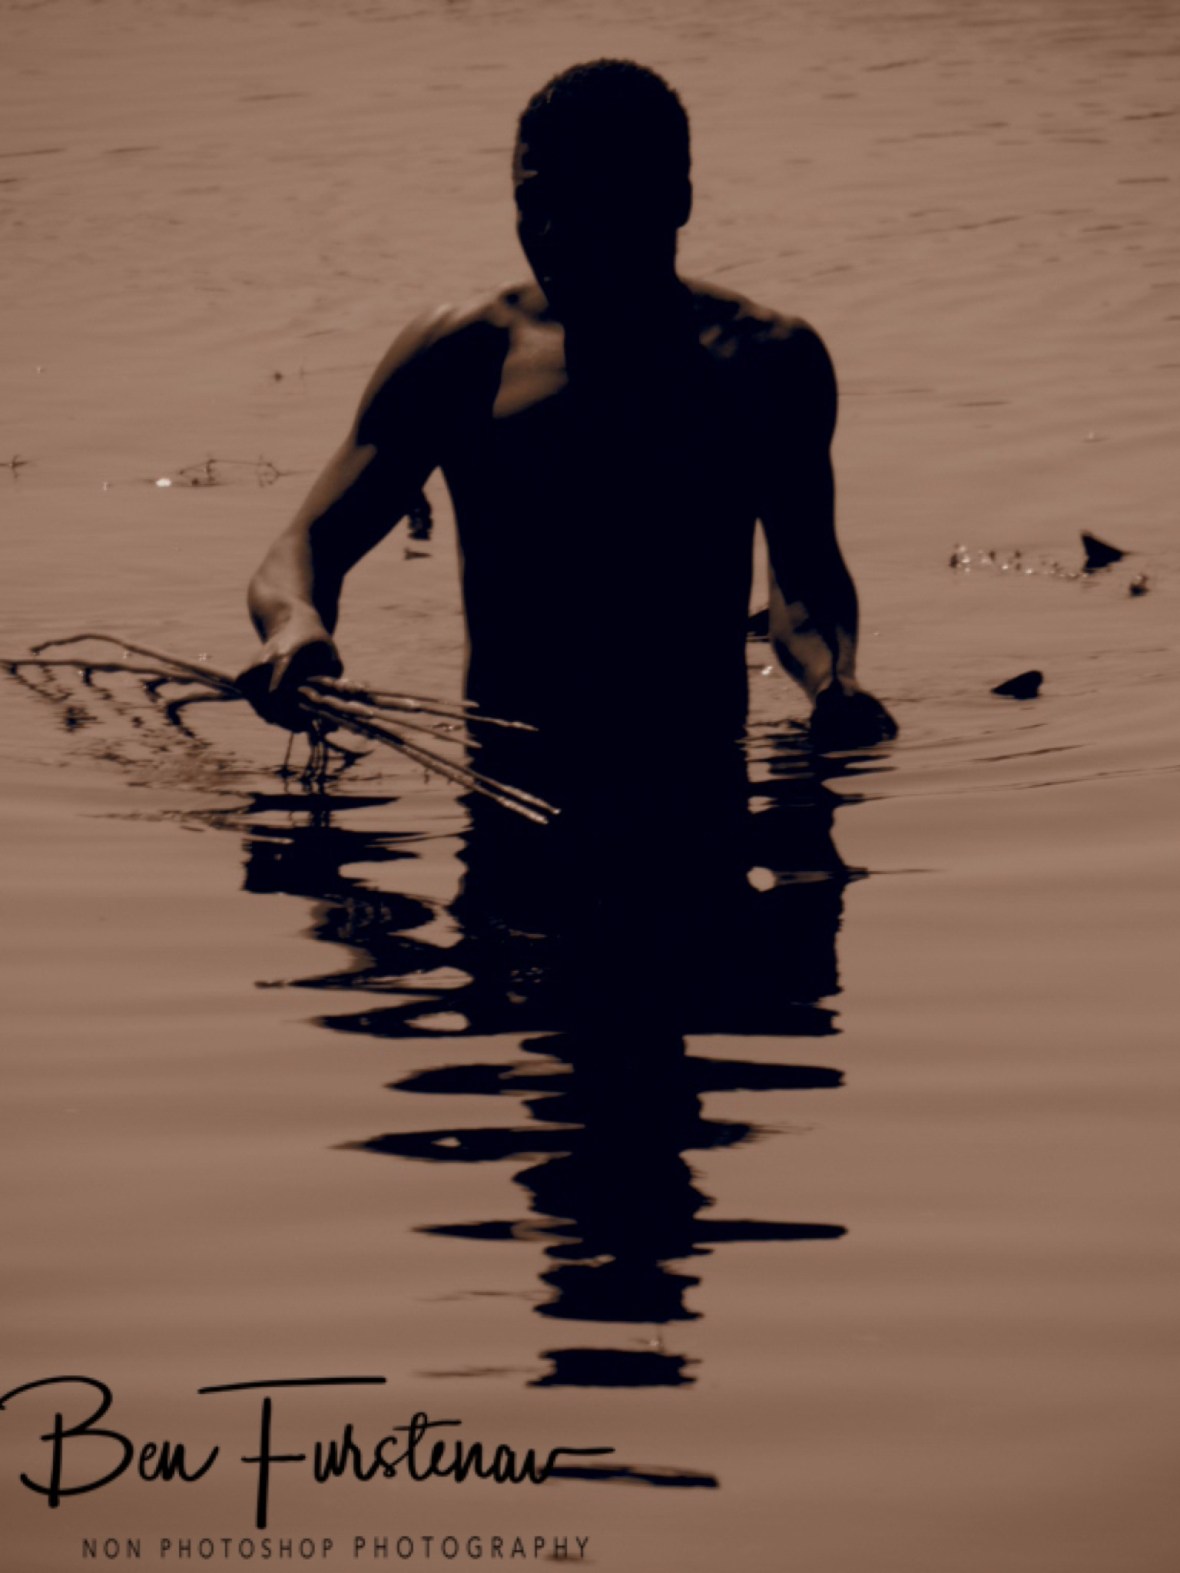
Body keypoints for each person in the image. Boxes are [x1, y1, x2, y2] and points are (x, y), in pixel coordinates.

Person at [240, 59, 896, 805]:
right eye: (532, 201)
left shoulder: (766, 363)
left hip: (696, 791)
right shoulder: (462, 355)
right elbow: (304, 547)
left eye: (587, 203)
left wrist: (834, 684)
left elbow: (806, 579)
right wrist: (295, 628)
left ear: (673, 201)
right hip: (506, 795)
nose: (551, 232)